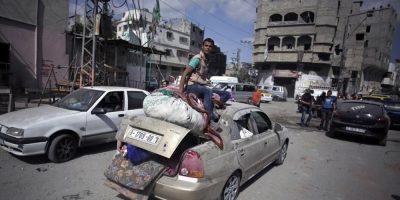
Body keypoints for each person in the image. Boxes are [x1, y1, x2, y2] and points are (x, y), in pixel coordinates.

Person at [179, 38, 231, 128]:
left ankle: (216, 102)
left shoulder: (206, 60)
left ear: (212, 48)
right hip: (192, 87)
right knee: (208, 91)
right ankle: (209, 119)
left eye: (210, 46)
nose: (208, 48)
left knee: (227, 94)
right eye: (206, 46)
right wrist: (181, 90)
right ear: (202, 47)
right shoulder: (197, 59)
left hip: (201, 86)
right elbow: (185, 73)